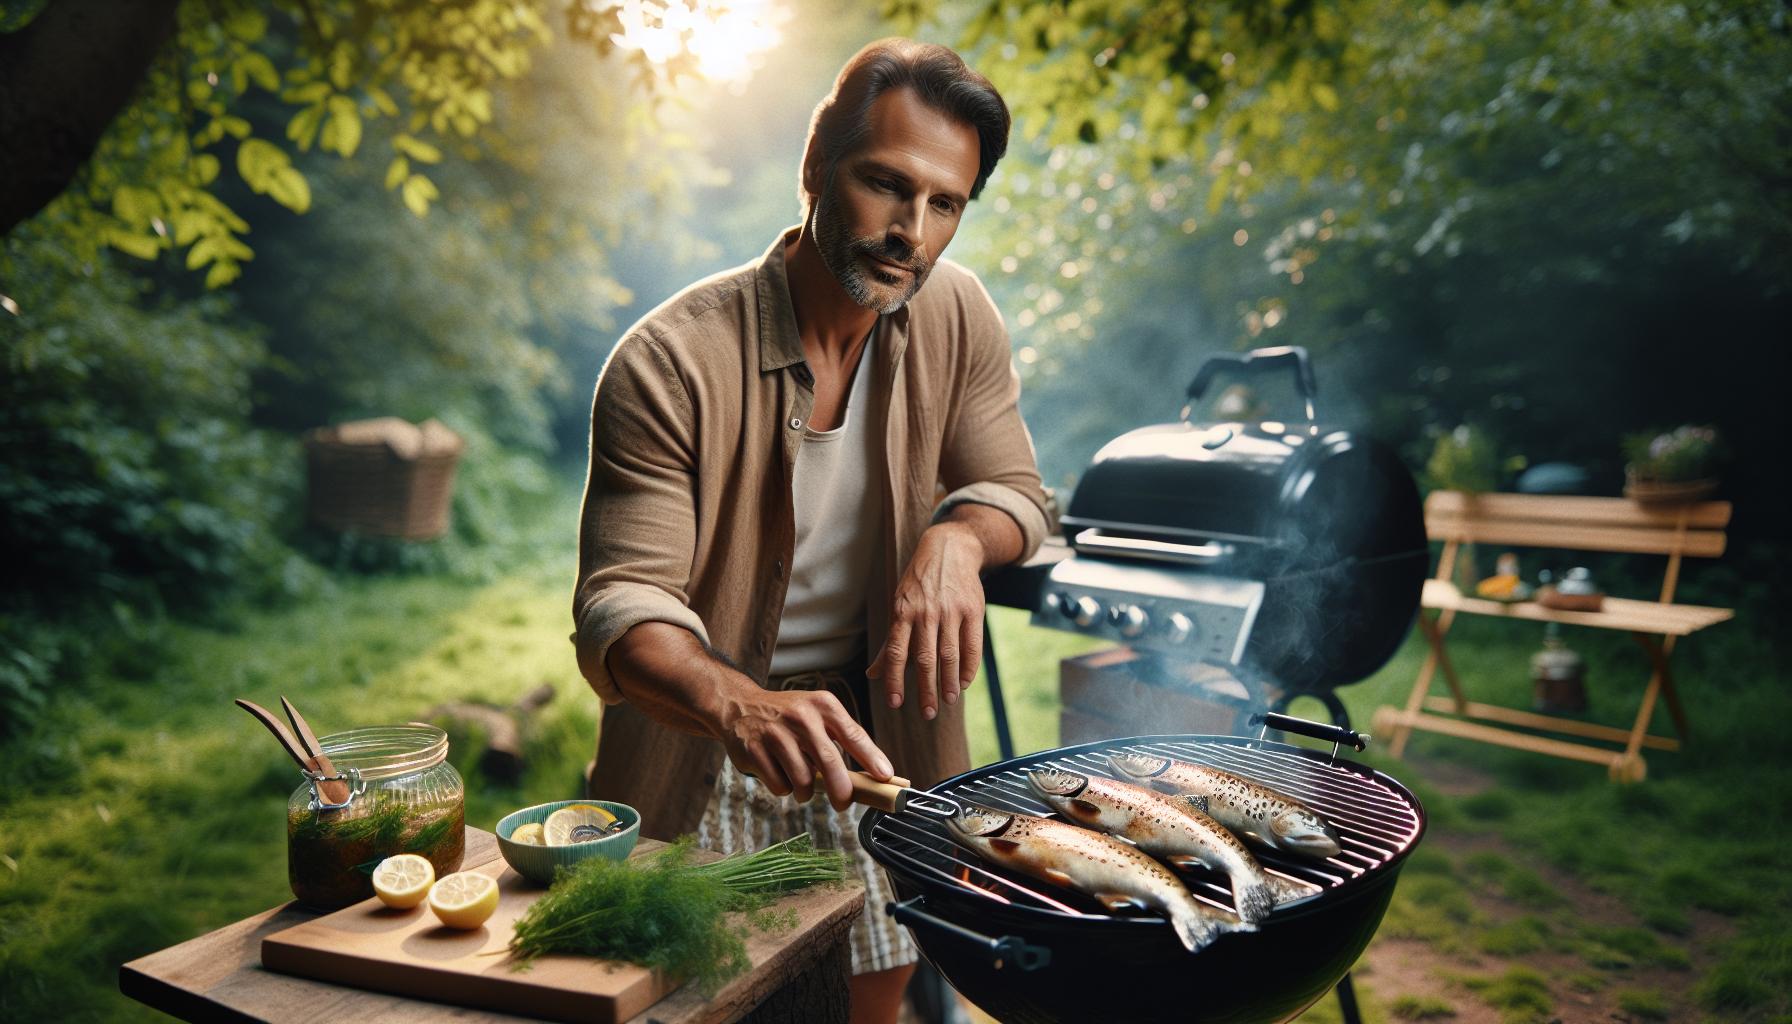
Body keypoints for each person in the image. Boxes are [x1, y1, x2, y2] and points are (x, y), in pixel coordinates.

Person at [572, 38, 1048, 1024]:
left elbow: (1016, 491)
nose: (909, 231)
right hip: (701, 747)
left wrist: (955, 538)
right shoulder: (666, 361)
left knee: (868, 1006)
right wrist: (738, 704)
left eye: (944, 204)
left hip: (875, 752)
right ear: (814, 166)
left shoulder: (959, 317)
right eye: (885, 184)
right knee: (692, 1004)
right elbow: (623, 605)